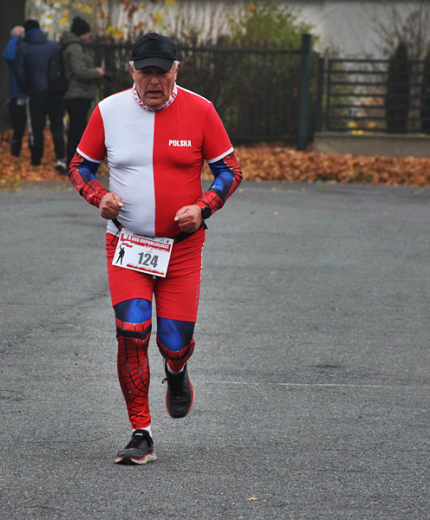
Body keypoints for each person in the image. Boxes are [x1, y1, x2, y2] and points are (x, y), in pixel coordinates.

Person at [68, 32, 243, 465]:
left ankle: (177, 370)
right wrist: (98, 197)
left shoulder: (201, 110)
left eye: (161, 73)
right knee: (132, 331)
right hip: (127, 243)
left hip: (181, 249)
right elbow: (79, 167)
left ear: (175, 71)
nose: (153, 81)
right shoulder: (108, 111)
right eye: (145, 72)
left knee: (173, 341)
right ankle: (140, 431)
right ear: (132, 71)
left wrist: (204, 207)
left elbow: (230, 171)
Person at [15, 19, 66, 172]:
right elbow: (62, 69)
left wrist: (26, 89)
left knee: (36, 127)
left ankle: (36, 160)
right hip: (55, 92)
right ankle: (60, 158)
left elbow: (20, 72)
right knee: (57, 125)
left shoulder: (23, 49)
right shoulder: (54, 47)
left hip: (35, 91)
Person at [60, 16, 105, 163]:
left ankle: (75, 161)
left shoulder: (77, 46)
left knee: (77, 128)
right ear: (82, 33)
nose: (89, 36)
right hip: (76, 94)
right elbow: (79, 71)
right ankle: (74, 162)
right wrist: (97, 72)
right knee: (77, 130)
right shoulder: (75, 48)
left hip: (80, 93)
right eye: (87, 33)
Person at [2, 25, 27, 157]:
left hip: (21, 92)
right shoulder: (17, 54)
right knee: (19, 126)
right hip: (19, 93)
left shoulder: (23, 51)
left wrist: (14, 37)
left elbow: (8, 55)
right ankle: (17, 152)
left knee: (23, 125)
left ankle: (19, 152)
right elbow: (8, 55)